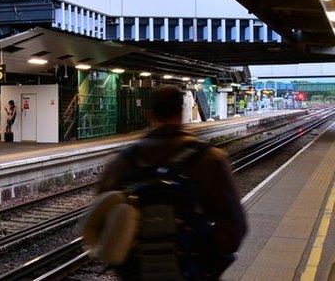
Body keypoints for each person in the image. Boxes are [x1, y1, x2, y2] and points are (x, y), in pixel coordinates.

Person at [89, 85, 247, 279]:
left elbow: (100, 225)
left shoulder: (122, 161)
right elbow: (235, 228)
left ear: (149, 115)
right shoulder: (210, 159)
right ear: (182, 113)